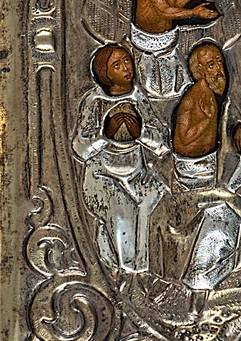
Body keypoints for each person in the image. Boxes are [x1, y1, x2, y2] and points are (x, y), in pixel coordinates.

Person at [156, 42, 241, 296]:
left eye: (220, 62)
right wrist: (207, 124)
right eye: (212, 65)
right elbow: (184, 141)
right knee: (223, 219)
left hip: (219, 177)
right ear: (199, 72)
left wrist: (239, 130)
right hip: (195, 183)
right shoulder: (194, 100)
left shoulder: (221, 99)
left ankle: (214, 283)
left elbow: (231, 124)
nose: (220, 69)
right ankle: (199, 286)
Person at [72, 45, 170, 277]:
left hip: (136, 175)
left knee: (154, 203)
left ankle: (144, 272)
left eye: (127, 61)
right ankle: (124, 274)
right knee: (121, 213)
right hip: (102, 177)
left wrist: (142, 134)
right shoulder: (94, 101)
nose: (126, 68)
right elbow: (80, 149)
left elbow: (163, 144)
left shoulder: (138, 98)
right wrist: (104, 135)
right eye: (117, 65)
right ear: (105, 75)